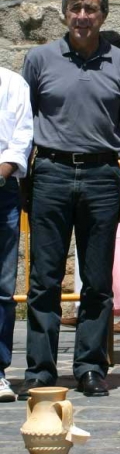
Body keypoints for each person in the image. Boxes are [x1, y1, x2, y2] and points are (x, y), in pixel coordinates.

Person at [19, 0, 120, 399]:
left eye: (91, 10)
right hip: (51, 173)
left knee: (97, 281)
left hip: (101, 179)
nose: (82, 17)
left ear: (103, 15)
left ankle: (91, 367)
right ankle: (40, 369)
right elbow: (23, 122)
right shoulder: (39, 60)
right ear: (64, 14)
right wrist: (23, 180)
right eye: (75, 9)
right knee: (44, 280)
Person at [61, 30, 120, 336]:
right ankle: (86, 309)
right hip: (89, 176)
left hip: (112, 175)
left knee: (115, 254)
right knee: (90, 252)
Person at [0, 67, 34, 403]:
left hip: (2, 191)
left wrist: (3, 171)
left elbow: (23, 135)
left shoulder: (13, 83)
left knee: (1, 287)